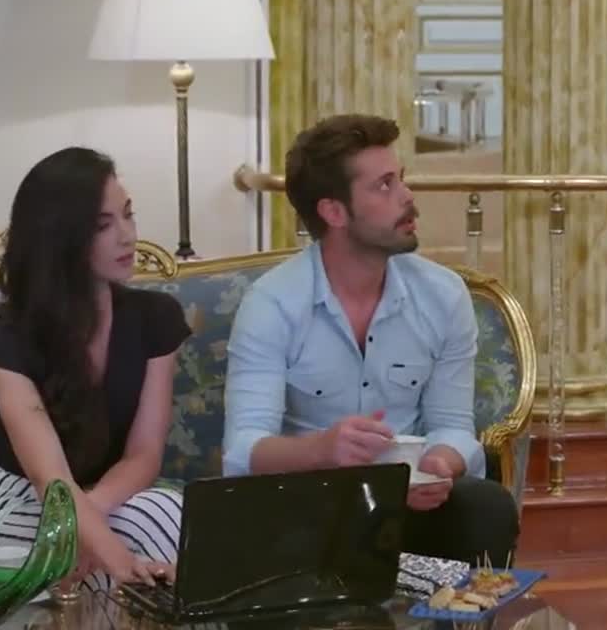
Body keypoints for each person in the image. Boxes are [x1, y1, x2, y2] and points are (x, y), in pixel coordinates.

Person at [222, 113, 519, 567]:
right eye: (384, 186)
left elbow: (452, 426)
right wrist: (322, 450)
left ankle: (454, 608)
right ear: (334, 212)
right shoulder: (272, 304)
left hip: (407, 502)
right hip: (310, 502)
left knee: (486, 508)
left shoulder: (442, 295)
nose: (407, 197)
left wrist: (438, 465)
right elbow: (244, 449)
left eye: (401, 179)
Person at [0, 147, 191, 592]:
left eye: (128, 215)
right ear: (59, 236)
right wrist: (120, 561)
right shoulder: (11, 337)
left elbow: (143, 454)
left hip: (108, 494)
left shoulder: (157, 317)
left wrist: (89, 523)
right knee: (52, 561)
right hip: (18, 502)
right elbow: (50, 480)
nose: (127, 236)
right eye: (103, 226)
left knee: (166, 514)